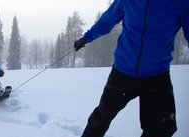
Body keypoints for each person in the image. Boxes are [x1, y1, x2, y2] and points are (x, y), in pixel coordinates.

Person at [74, 0, 188, 137]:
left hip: (157, 75)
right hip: (123, 71)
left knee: (162, 128)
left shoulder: (181, 3)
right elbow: (107, 20)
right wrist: (86, 38)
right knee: (101, 118)